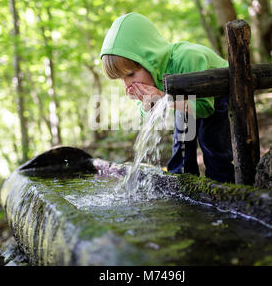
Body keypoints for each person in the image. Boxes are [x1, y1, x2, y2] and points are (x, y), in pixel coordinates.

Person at [100, 12, 234, 183]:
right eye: (122, 79)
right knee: (181, 143)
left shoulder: (188, 58)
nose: (127, 84)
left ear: (149, 59)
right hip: (182, 100)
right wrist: (149, 102)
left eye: (131, 74)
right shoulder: (151, 76)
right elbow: (147, 112)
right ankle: (181, 182)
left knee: (212, 143)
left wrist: (164, 98)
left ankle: (222, 186)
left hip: (217, 95)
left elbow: (205, 108)